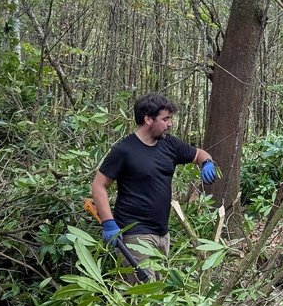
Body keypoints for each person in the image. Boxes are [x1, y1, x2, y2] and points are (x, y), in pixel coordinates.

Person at [90, 93, 217, 277]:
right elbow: (98, 185)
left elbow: (198, 154)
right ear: (148, 119)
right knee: (142, 295)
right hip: (135, 234)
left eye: (170, 119)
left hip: (162, 234)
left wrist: (207, 163)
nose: (170, 124)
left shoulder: (170, 144)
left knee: (159, 297)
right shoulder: (124, 150)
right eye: (165, 119)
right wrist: (109, 223)